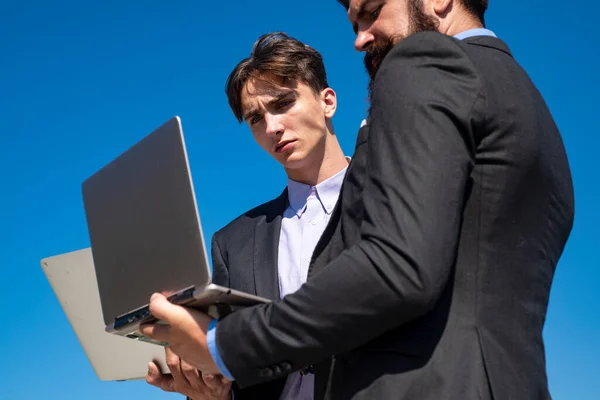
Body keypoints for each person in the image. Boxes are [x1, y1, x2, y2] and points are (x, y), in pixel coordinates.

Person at [141, 0, 576, 399]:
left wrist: (220, 345)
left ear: (328, 101)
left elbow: (399, 268)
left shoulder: (424, 65)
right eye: (256, 119)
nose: (360, 38)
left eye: (371, 11)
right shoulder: (533, 115)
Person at [145, 32, 353, 399]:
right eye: (255, 118)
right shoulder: (232, 243)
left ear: (328, 102)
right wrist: (211, 391)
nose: (271, 127)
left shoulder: (391, 195)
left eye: (283, 103)